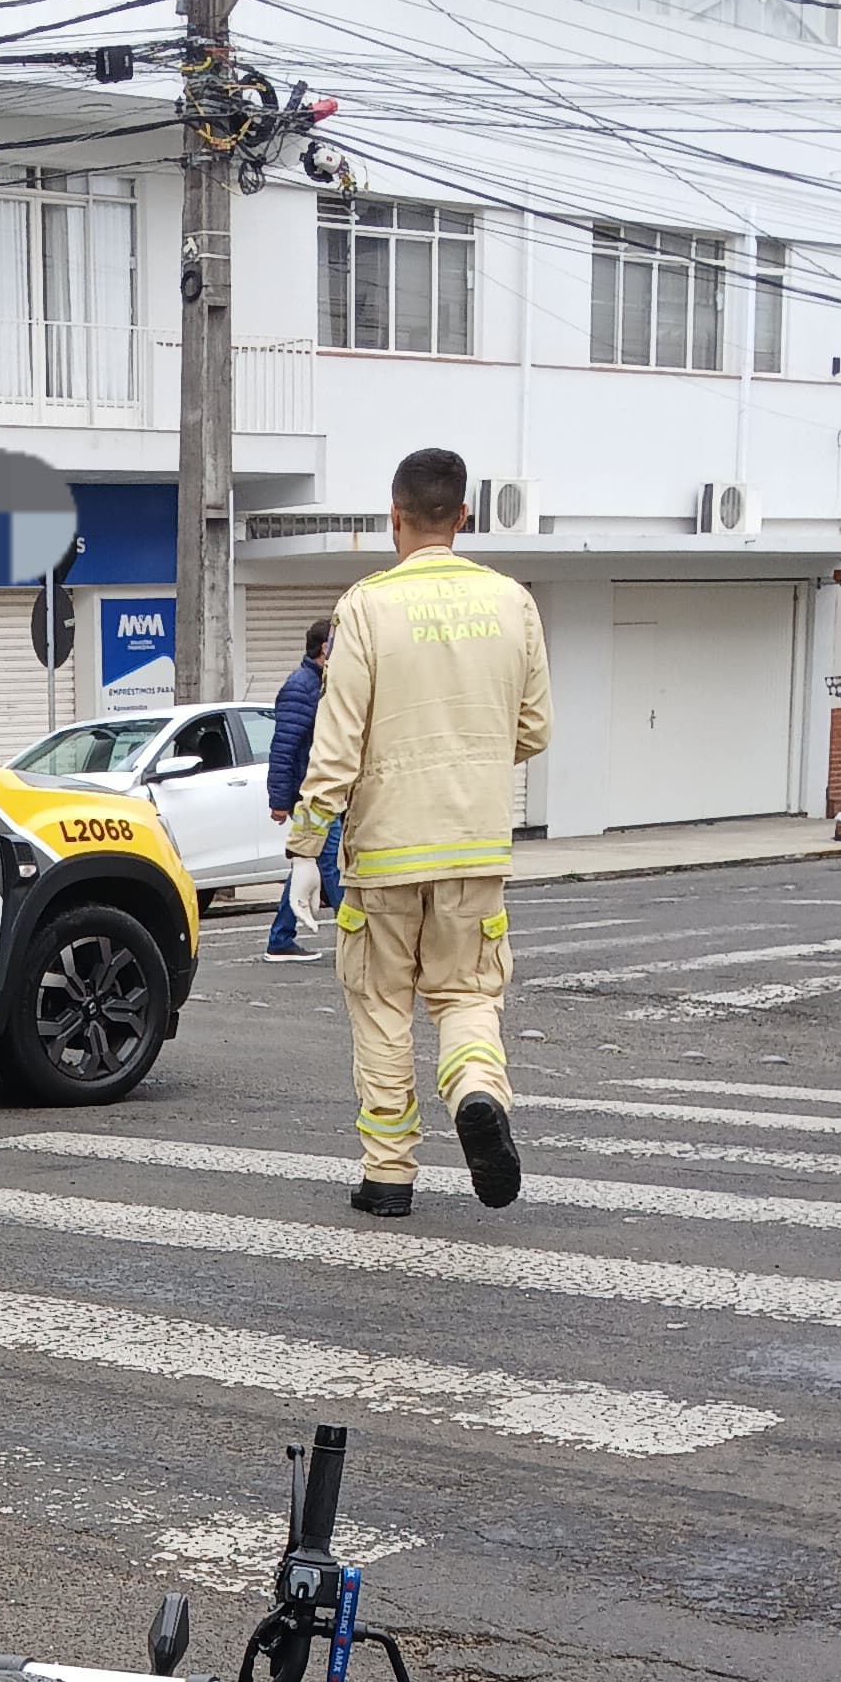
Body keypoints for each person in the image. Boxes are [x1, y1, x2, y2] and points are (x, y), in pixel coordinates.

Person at [284, 448, 551, 1214]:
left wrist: (307, 847)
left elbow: (335, 748)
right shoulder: (513, 602)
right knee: (467, 995)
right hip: (476, 846)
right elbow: (534, 728)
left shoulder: (366, 607)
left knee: (381, 1007)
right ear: (463, 516)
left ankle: (389, 1176)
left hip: (386, 854)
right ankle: (475, 1088)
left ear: (394, 515)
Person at [264, 612, 334, 959]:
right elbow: (284, 747)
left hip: (323, 789)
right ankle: (363, 936)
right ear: (326, 647)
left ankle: (280, 939)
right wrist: (279, 800)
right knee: (331, 859)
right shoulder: (301, 687)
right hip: (311, 795)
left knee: (311, 860)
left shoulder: (323, 684)